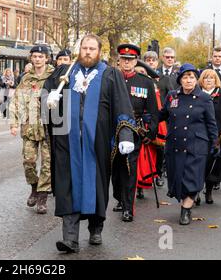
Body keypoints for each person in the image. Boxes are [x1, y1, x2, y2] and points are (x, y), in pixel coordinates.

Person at [44, 34, 135, 253]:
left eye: (92, 48)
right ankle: (70, 238)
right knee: (68, 185)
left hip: (98, 143)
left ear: (99, 51)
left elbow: (122, 106)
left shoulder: (110, 75)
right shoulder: (64, 73)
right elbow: (47, 98)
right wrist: (47, 101)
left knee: (97, 185)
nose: (87, 52)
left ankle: (96, 228)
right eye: (84, 48)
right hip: (67, 142)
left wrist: (125, 136)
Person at [159, 64, 218, 225]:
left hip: (197, 145)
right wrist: (149, 121)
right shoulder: (172, 96)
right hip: (175, 144)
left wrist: (214, 144)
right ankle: (187, 202)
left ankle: (185, 210)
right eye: (185, 77)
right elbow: (162, 114)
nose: (188, 80)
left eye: (192, 77)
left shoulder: (204, 98)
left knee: (192, 178)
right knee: (178, 178)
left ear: (196, 79)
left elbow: (211, 124)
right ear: (180, 80)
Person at [112, 44, 158, 222]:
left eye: (130, 59)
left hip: (134, 131)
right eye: (124, 59)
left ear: (136, 61)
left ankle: (128, 207)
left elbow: (153, 111)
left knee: (129, 168)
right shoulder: (111, 78)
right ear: (119, 60)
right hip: (112, 130)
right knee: (115, 169)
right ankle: (119, 198)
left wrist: (150, 133)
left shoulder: (145, 82)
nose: (127, 62)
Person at [9, 45, 55, 215]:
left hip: (48, 127)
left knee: (47, 164)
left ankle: (42, 197)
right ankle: (34, 187)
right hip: (29, 127)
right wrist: (13, 123)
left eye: (40, 56)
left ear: (46, 58)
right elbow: (16, 101)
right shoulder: (26, 79)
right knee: (28, 161)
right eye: (34, 56)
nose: (37, 59)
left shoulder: (55, 76)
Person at [198, 70, 221, 204]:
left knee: (214, 165)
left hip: (218, 137)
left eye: (211, 78)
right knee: (198, 165)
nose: (208, 80)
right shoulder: (196, 94)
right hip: (199, 136)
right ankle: (195, 192)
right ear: (201, 80)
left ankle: (208, 191)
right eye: (206, 78)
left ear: (216, 80)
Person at [145, 51, 172, 188]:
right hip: (145, 116)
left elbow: (172, 96)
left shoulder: (164, 78)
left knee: (160, 148)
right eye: (148, 60)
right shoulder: (141, 77)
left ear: (157, 62)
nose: (150, 62)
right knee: (145, 148)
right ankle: (144, 178)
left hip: (160, 117)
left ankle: (159, 174)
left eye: (153, 60)